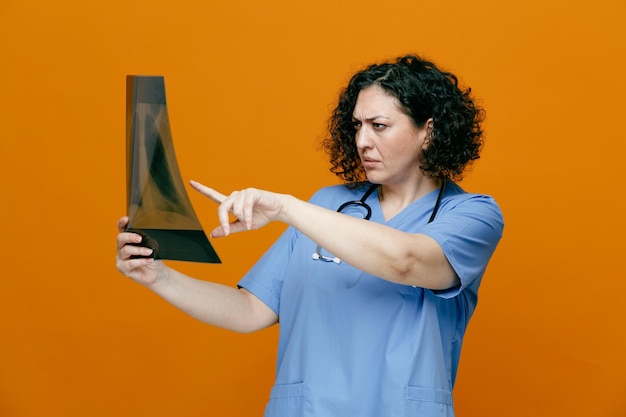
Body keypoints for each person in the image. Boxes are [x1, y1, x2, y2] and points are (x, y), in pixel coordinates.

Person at [116, 54, 504, 417]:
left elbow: (407, 261)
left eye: (379, 126)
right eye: (357, 126)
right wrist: (158, 276)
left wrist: (288, 209)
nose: (363, 141)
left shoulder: (472, 215)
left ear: (428, 132)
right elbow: (250, 310)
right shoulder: (327, 205)